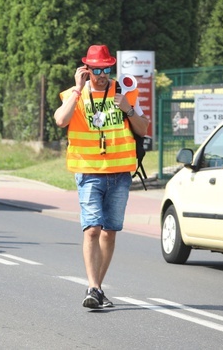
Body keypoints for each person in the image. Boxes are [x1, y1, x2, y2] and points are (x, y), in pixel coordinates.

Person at [53, 44, 149, 310]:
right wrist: (76, 89)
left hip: (120, 174)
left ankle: (96, 289)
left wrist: (128, 109)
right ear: (87, 70)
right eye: (96, 69)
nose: (102, 74)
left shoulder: (125, 91)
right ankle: (93, 286)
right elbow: (61, 120)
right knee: (93, 228)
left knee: (109, 233)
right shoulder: (76, 95)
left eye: (106, 68)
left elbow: (142, 129)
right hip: (89, 172)